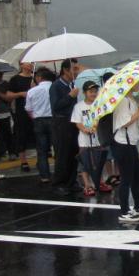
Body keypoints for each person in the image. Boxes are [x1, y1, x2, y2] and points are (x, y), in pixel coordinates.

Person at [111, 80, 139, 223]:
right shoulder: (123, 101)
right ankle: (124, 211)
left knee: (137, 175)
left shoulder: (132, 100)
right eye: (136, 82)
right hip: (122, 143)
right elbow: (124, 123)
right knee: (126, 178)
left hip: (131, 143)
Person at [71, 80, 110, 197]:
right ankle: (87, 185)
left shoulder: (100, 105)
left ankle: (100, 182)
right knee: (84, 163)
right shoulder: (78, 106)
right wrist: (85, 130)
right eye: (90, 91)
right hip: (84, 141)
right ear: (84, 93)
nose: (93, 93)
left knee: (99, 162)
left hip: (99, 139)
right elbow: (77, 122)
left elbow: (104, 121)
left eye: (95, 91)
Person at [49, 58, 80, 195]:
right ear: (65, 70)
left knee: (73, 153)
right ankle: (59, 183)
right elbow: (55, 106)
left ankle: (71, 181)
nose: (76, 72)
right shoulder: (56, 86)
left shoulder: (72, 85)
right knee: (62, 154)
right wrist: (70, 96)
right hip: (61, 123)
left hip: (73, 123)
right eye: (74, 69)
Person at [25, 68, 55, 183]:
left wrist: (35, 118)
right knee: (57, 148)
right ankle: (60, 173)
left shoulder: (32, 91)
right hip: (53, 120)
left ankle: (44, 176)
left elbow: (28, 109)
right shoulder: (55, 88)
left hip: (38, 120)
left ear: (39, 78)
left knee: (42, 150)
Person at [7, 62, 35, 172]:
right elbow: (8, 95)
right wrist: (20, 94)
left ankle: (41, 159)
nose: (30, 65)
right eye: (28, 62)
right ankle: (23, 161)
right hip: (21, 111)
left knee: (37, 134)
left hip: (36, 110)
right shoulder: (15, 79)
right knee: (21, 134)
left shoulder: (36, 77)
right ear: (21, 65)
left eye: (32, 62)